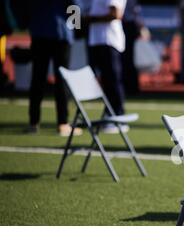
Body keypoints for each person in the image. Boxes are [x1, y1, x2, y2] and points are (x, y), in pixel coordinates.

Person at [27, 0, 82, 136]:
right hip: (60, 31)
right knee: (61, 80)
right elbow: (74, 4)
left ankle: (33, 122)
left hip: (39, 30)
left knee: (37, 78)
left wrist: (28, 22)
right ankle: (62, 123)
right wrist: (76, 27)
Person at [87, 0, 128, 134]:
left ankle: (118, 117)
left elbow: (115, 14)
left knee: (113, 80)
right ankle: (109, 114)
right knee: (106, 81)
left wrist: (87, 19)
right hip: (98, 40)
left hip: (108, 41)